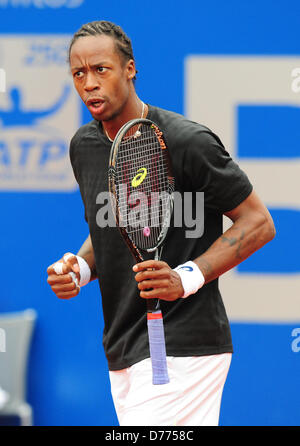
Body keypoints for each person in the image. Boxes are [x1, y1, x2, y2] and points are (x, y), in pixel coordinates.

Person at [46, 20, 275, 426]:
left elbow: (258, 222)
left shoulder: (187, 141)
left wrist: (186, 277)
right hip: (124, 346)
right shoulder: (84, 146)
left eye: (101, 69)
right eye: (78, 73)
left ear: (130, 69)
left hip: (186, 346)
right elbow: (114, 228)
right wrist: (80, 268)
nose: (89, 84)